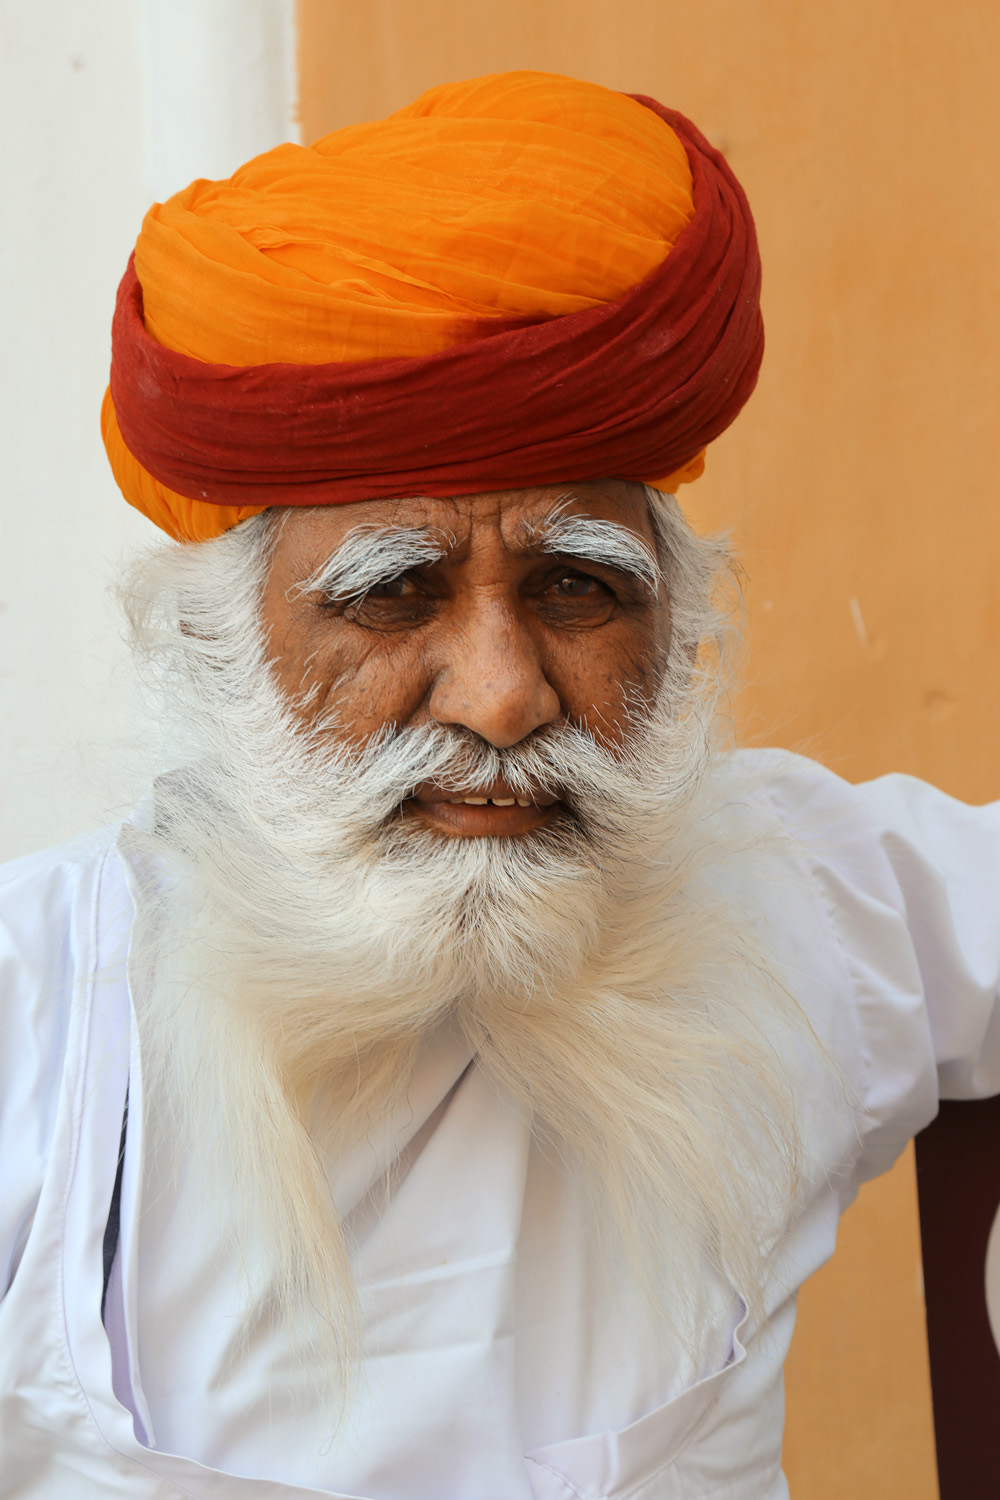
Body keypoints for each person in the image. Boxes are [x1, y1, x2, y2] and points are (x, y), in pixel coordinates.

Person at [0, 69, 997, 1500]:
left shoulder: (799, 909)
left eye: (580, 587)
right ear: (221, 650)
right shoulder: (38, 1028)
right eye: (394, 594)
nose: (504, 694)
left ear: (679, 628)